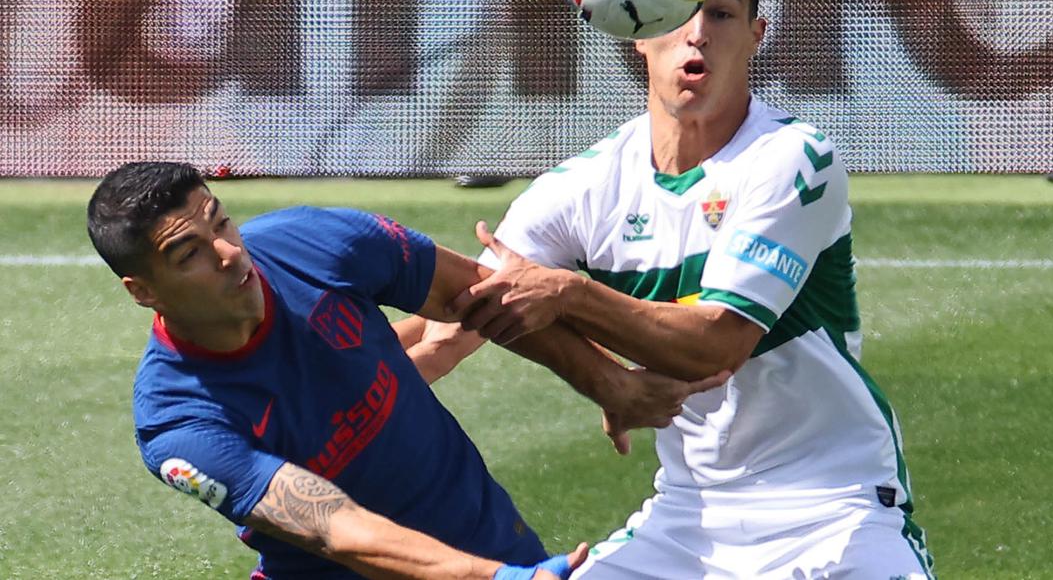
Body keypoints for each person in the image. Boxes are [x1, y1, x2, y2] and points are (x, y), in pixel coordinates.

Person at [450, 0, 935, 578]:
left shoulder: (794, 158)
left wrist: (570, 295)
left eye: (723, 13)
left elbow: (716, 344)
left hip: (834, 509)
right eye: (677, 12)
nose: (698, 34)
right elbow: (453, 321)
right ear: (639, 32)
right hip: (689, 518)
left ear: (757, 34)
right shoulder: (584, 186)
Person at [86, 161, 724, 579]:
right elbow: (336, 527)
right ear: (143, 290)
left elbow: (474, 298)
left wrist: (606, 381)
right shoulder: (178, 423)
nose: (229, 253)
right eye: (190, 253)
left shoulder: (315, 242)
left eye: (221, 221)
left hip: (493, 547)